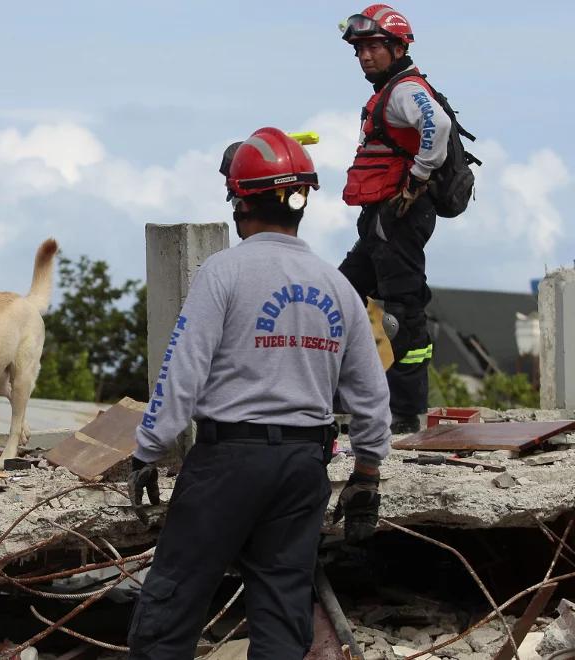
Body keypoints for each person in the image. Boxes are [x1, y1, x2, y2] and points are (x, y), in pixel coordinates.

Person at [126, 128, 392, 659]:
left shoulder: (223, 271)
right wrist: (367, 472)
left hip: (229, 461)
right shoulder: (337, 285)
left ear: (239, 202)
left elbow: (181, 376)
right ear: (300, 204)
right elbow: (370, 393)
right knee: (280, 613)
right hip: (303, 468)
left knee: (172, 603)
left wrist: (147, 451)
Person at [337, 4, 451, 434]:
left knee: (402, 313)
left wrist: (417, 177)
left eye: (374, 47)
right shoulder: (390, 90)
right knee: (342, 296)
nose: (365, 56)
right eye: (360, 49)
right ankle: (348, 398)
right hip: (382, 219)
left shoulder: (405, 89)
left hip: (401, 215)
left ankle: (405, 414)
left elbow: (435, 125)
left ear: (398, 47)